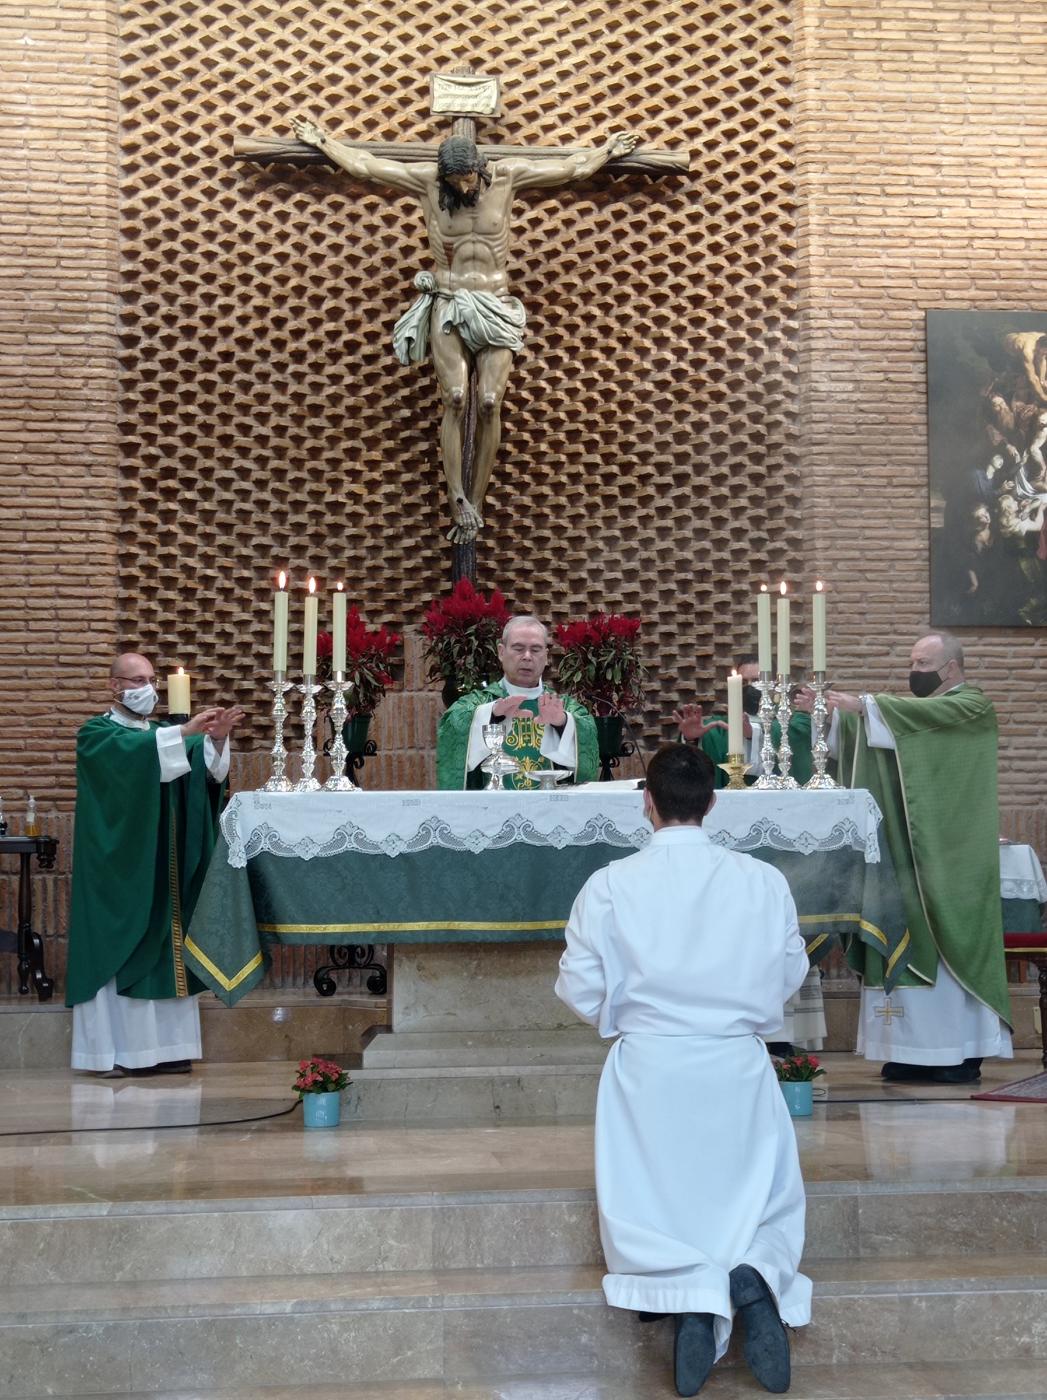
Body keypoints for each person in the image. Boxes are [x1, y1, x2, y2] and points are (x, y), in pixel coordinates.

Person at [555, 744, 811, 1396]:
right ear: (712, 803)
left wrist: (632, 1018)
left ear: (647, 802)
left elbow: (579, 987)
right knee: (763, 1197)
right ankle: (751, 1277)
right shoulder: (762, 881)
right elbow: (788, 974)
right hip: (734, 1063)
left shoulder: (610, 884)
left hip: (650, 1069)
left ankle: (691, 1295)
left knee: (645, 1201)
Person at [289, 117, 638, 541]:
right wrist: (323, 140)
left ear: (480, 167)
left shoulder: (508, 177)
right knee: (454, 397)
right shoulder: (429, 185)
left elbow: (571, 168)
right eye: (454, 181)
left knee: (490, 401)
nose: (463, 187)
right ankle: (457, 497)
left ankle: (477, 498)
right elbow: (366, 166)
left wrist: (607, 151)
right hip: (450, 300)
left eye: (468, 178)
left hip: (494, 302)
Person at [827, 632, 1011, 1085]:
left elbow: (923, 721)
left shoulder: (972, 706)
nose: (915, 670)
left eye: (923, 662)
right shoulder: (918, 715)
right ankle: (910, 1050)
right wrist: (838, 715)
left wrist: (864, 705)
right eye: (912, 660)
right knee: (904, 934)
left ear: (950, 668)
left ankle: (961, 1051)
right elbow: (899, 733)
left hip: (956, 859)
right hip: (912, 852)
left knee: (952, 946)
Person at [66, 653, 244, 1076]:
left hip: (163, 865)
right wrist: (185, 731)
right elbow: (129, 758)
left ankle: (167, 1049)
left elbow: (205, 775)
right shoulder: (95, 733)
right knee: (122, 945)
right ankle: (118, 1052)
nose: (149, 688)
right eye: (138, 680)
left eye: (152, 680)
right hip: (117, 871)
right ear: (115, 686)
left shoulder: (163, 733)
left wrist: (214, 740)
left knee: (166, 945)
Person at [436, 616, 598, 789]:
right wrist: (492, 715)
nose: (527, 657)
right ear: (501, 652)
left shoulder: (561, 706)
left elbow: (587, 734)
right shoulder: (479, 702)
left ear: (546, 656)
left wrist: (563, 723)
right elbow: (451, 729)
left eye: (535, 649)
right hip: (492, 811)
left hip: (551, 811)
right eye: (518, 648)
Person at [673, 656, 814, 787]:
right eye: (743, 682)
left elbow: (798, 741)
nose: (749, 687)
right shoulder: (719, 726)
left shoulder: (788, 722)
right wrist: (691, 739)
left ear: (774, 685)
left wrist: (753, 733)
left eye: (756, 681)